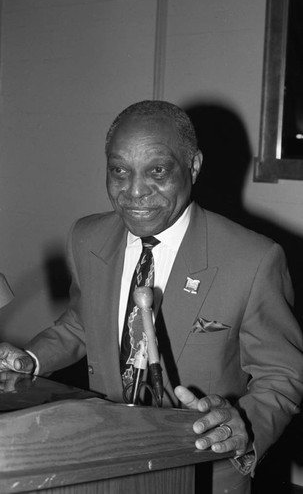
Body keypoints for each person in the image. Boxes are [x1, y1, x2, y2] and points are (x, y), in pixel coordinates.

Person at [0, 100, 302, 494]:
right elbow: (81, 323)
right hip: (101, 463)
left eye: (157, 171)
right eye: (119, 171)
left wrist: (241, 427)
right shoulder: (86, 237)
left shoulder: (254, 259)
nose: (134, 192)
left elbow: (282, 376)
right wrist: (33, 359)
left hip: (201, 473)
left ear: (192, 166)